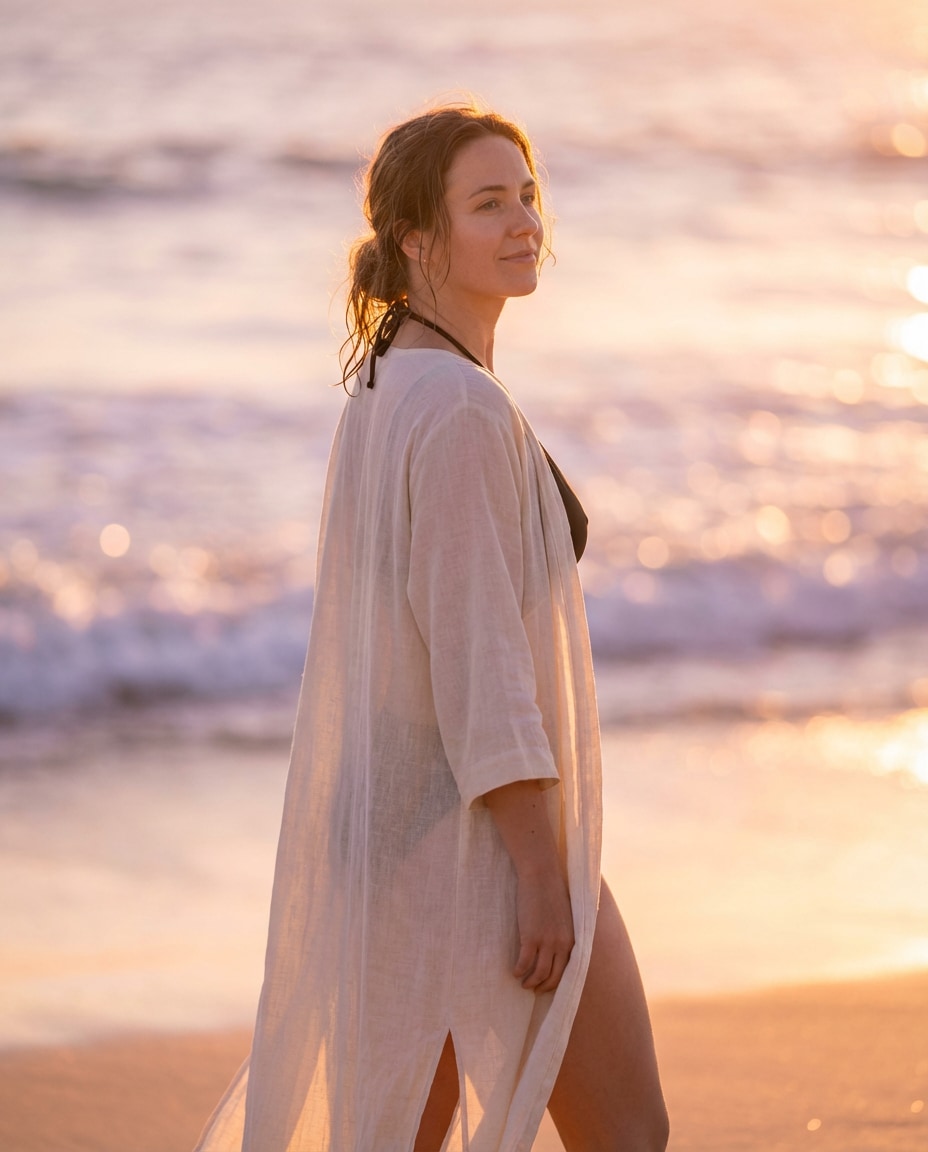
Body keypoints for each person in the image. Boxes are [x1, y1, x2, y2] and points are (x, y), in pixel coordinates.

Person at [194, 102, 668, 1152]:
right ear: (416, 237)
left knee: (407, 1135)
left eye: (528, 195)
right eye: (487, 202)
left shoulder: (386, 384)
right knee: (629, 1133)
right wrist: (541, 872)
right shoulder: (453, 408)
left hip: (395, 812)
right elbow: (477, 662)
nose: (523, 221)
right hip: (473, 829)